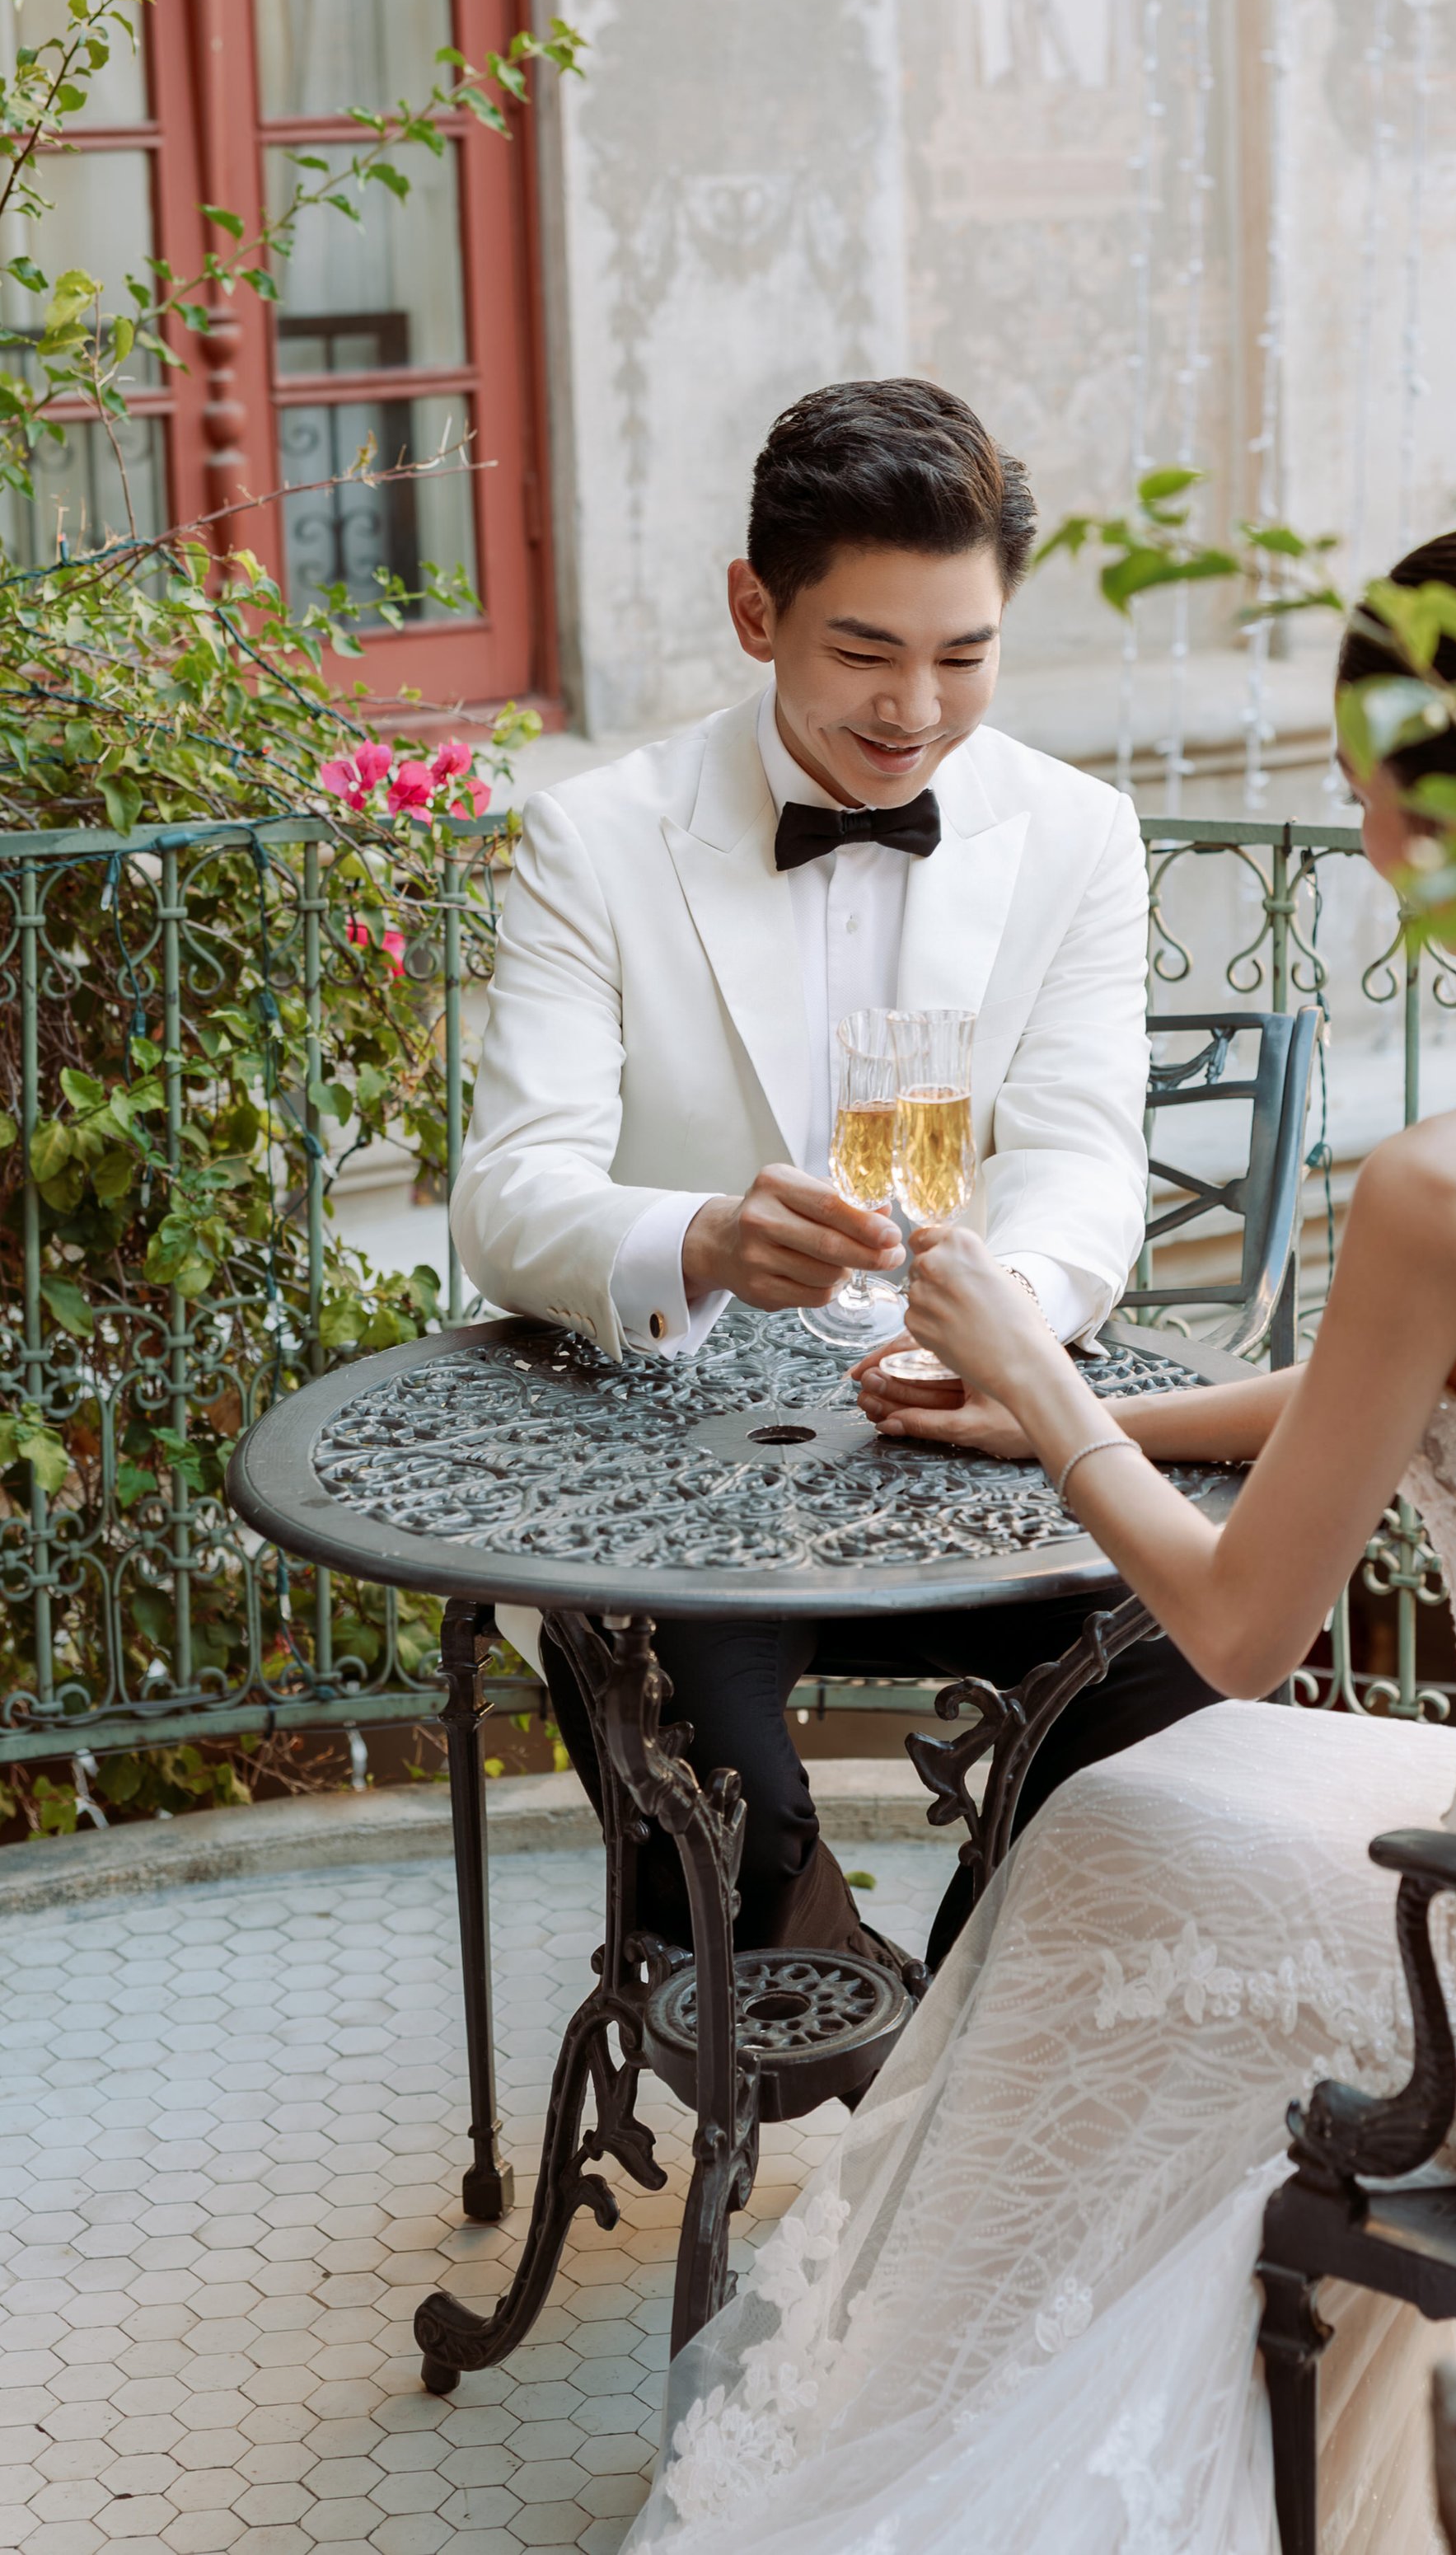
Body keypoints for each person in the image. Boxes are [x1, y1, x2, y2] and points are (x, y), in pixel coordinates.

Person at [623, 524, 1456, 2555]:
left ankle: (973, 2483)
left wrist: (1043, 1390)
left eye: (1365, 783)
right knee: (1158, 1834)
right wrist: (1068, 1409)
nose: (1355, 823)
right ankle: (1324, 2469)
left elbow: (1244, 1627)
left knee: (1102, 1850)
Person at [452, 377, 1217, 1965]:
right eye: (865, 651)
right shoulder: (596, 838)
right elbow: (508, 1192)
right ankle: (828, 2031)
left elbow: (1083, 1160)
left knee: (1181, 1638)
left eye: (965, 654)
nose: (916, 709)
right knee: (707, 1784)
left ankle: (976, 2009)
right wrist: (704, 1238)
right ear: (756, 609)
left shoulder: (1076, 834)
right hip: (675, 1470)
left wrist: (1004, 1310)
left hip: (957, 1428)